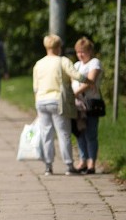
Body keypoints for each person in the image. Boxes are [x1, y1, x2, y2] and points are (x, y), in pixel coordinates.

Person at [33, 34, 86, 176]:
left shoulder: (39, 64)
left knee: (47, 134)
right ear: (58, 47)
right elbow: (76, 75)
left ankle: (48, 166)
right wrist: (89, 80)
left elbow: (35, 87)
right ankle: (69, 165)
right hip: (57, 101)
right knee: (64, 134)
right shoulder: (62, 61)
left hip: (41, 101)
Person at [72, 37, 102, 174]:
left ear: (90, 51)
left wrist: (75, 92)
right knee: (79, 133)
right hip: (78, 105)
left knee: (90, 133)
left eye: (83, 51)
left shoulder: (94, 63)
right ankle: (82, 160)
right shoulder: (77, 65)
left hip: (90, 104)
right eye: (78, 52)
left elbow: (90, 81)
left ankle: (92, 163)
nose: (80, 54)